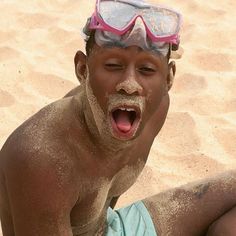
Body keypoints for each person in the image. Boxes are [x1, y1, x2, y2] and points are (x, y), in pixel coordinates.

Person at [0, 0, 236, 235]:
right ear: (83, 69)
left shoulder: (156, 109)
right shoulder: (44, 157)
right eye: (113, 65)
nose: (130, 85)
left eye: (146, 70)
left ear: (168, 80)